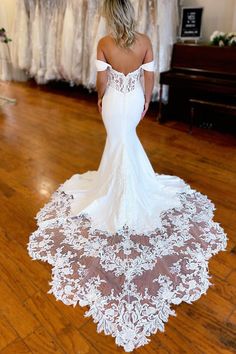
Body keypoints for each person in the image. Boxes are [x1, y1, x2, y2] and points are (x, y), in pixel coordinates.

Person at [28, 0, 228, 352]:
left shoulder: (105, 42)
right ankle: (127, 185)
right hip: (134, 98)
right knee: (126, 143)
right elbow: (149, 76)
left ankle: (116, 188)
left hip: (114, 104)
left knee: (118, 143)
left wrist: (102, 101)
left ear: (110, 14)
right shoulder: (144, 39)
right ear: (130, 14)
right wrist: (146, 100)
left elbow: (100, 81)